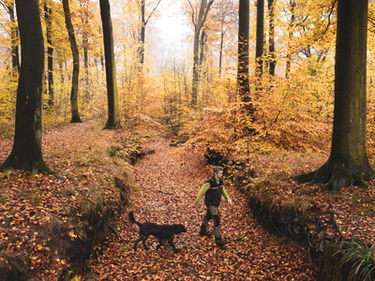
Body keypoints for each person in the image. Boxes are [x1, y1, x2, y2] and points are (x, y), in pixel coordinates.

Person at [194, 166, 232, 246]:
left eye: (222, 173)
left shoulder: (220, 181)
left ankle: (202, 230)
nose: (222, 174)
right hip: (210, 203)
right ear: (215, 174)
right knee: (216, 219)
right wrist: (196, 202)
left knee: (208, 216)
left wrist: (228, 198)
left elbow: (223, 190)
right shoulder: (209, 183)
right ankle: (218, 240)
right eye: (220, 173)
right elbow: (202, 191)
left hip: (216, 203)